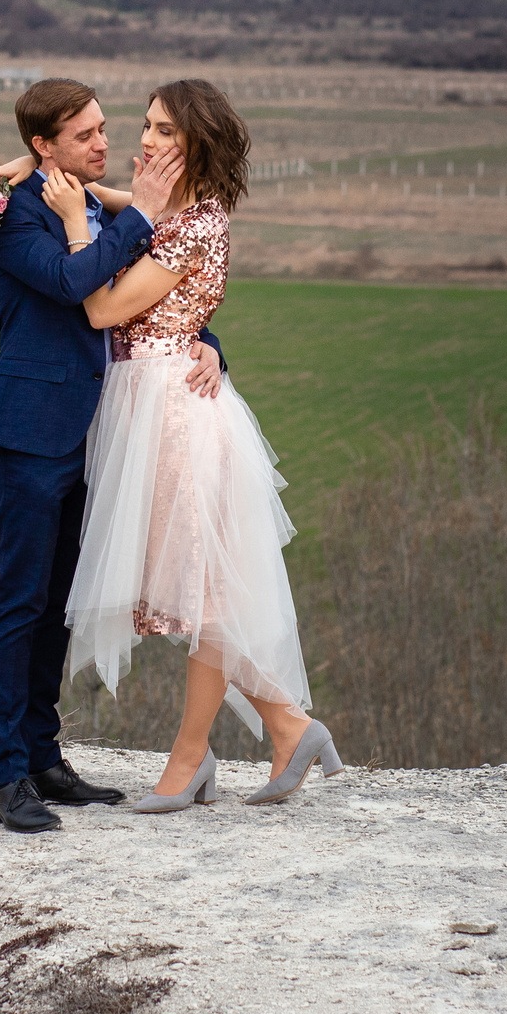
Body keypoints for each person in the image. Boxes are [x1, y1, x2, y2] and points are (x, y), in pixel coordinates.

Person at [45, 79, 340, 812]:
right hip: (149, 403)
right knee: (190, 592)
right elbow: (131, 211)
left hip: (173, 412)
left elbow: (106, 305)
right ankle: (285, 725)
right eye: (145, 126)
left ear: (197, 143)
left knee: (201, 596)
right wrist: (68, 184)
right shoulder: (173, 212)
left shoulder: (200, 225)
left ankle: (192, 757)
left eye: (165, 132)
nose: (147, 141)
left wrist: (76, 232)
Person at [0, 78, 227, 834]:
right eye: (84, 135)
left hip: (97, 433)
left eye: (103, 128)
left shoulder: (87, 206)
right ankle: (6, 774)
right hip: (32, 428)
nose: (105, 143)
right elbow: (76, 281)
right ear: (42, 146)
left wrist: (208, 346)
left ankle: (46, 756)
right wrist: (139, 212)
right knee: (18, 603)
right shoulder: (12, 218)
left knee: (59, 604)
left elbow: (162, 298)